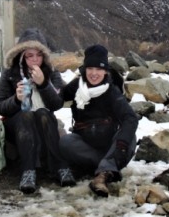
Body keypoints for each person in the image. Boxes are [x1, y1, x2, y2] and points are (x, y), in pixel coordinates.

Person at [0, 28, 76, 194]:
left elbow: (57, 104)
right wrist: (16, 99)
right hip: (17, 124)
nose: (34, 60)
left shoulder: (52, 74)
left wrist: (44, 84)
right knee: (26, 115)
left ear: (44, 56)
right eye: (29, 55)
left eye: (38, 55)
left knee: (44, 114)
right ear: (21, 55)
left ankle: (60, 168)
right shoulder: (10, 74)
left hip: (42, 121)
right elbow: (0, 106)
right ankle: (28, 171)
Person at [59, 44, 138, 197]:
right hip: (88, 147)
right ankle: (106, 168)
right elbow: (56, 99)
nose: (94, 73)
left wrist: (121, 145)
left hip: (111, 146)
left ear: (105, 71)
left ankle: (102, 176)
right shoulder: (77, 86)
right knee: (66, 142)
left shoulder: (112, 91)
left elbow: (130, 118)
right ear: (84, 69)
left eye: (99, 69)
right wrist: (42, 85)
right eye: (90, 68)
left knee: (129, 137)